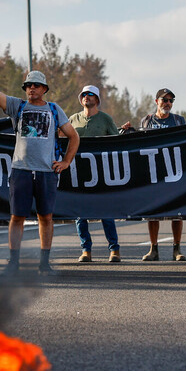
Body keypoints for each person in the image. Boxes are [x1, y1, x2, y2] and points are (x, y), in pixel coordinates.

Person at [0, 59, 80, 276]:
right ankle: (13, 262)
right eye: (28, 85)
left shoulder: (54, 109)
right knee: (16, 217)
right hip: (21, 170)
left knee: (46, 217)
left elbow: (73, 136)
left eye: (35, 85)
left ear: (44, 89)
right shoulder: (18, 106)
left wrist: (66, 162)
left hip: (46, 172)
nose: (31, 88)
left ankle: (44, 262)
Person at [67, 85, 121, 263]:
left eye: (90, 95)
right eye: (83, 95)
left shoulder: (105, 119)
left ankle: (114, 250)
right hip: (78, 173)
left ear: (97, 99)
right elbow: (62, 138)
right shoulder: (73, 119)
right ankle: (86, 250)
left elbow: (117, 142)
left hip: (101, 174)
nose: (86, 97)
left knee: (106, 212)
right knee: (80, 215)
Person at [137, 88, 186, 262]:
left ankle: (177, 249)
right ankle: (153, 249)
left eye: (171, 100)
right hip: (154, 174)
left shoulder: (179, 120)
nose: (168, 103)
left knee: (177, 212)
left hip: (175, 172)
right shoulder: (147, 121)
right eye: (164, 100)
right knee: (153, 212)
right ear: (156, 101)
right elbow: (138, 144)